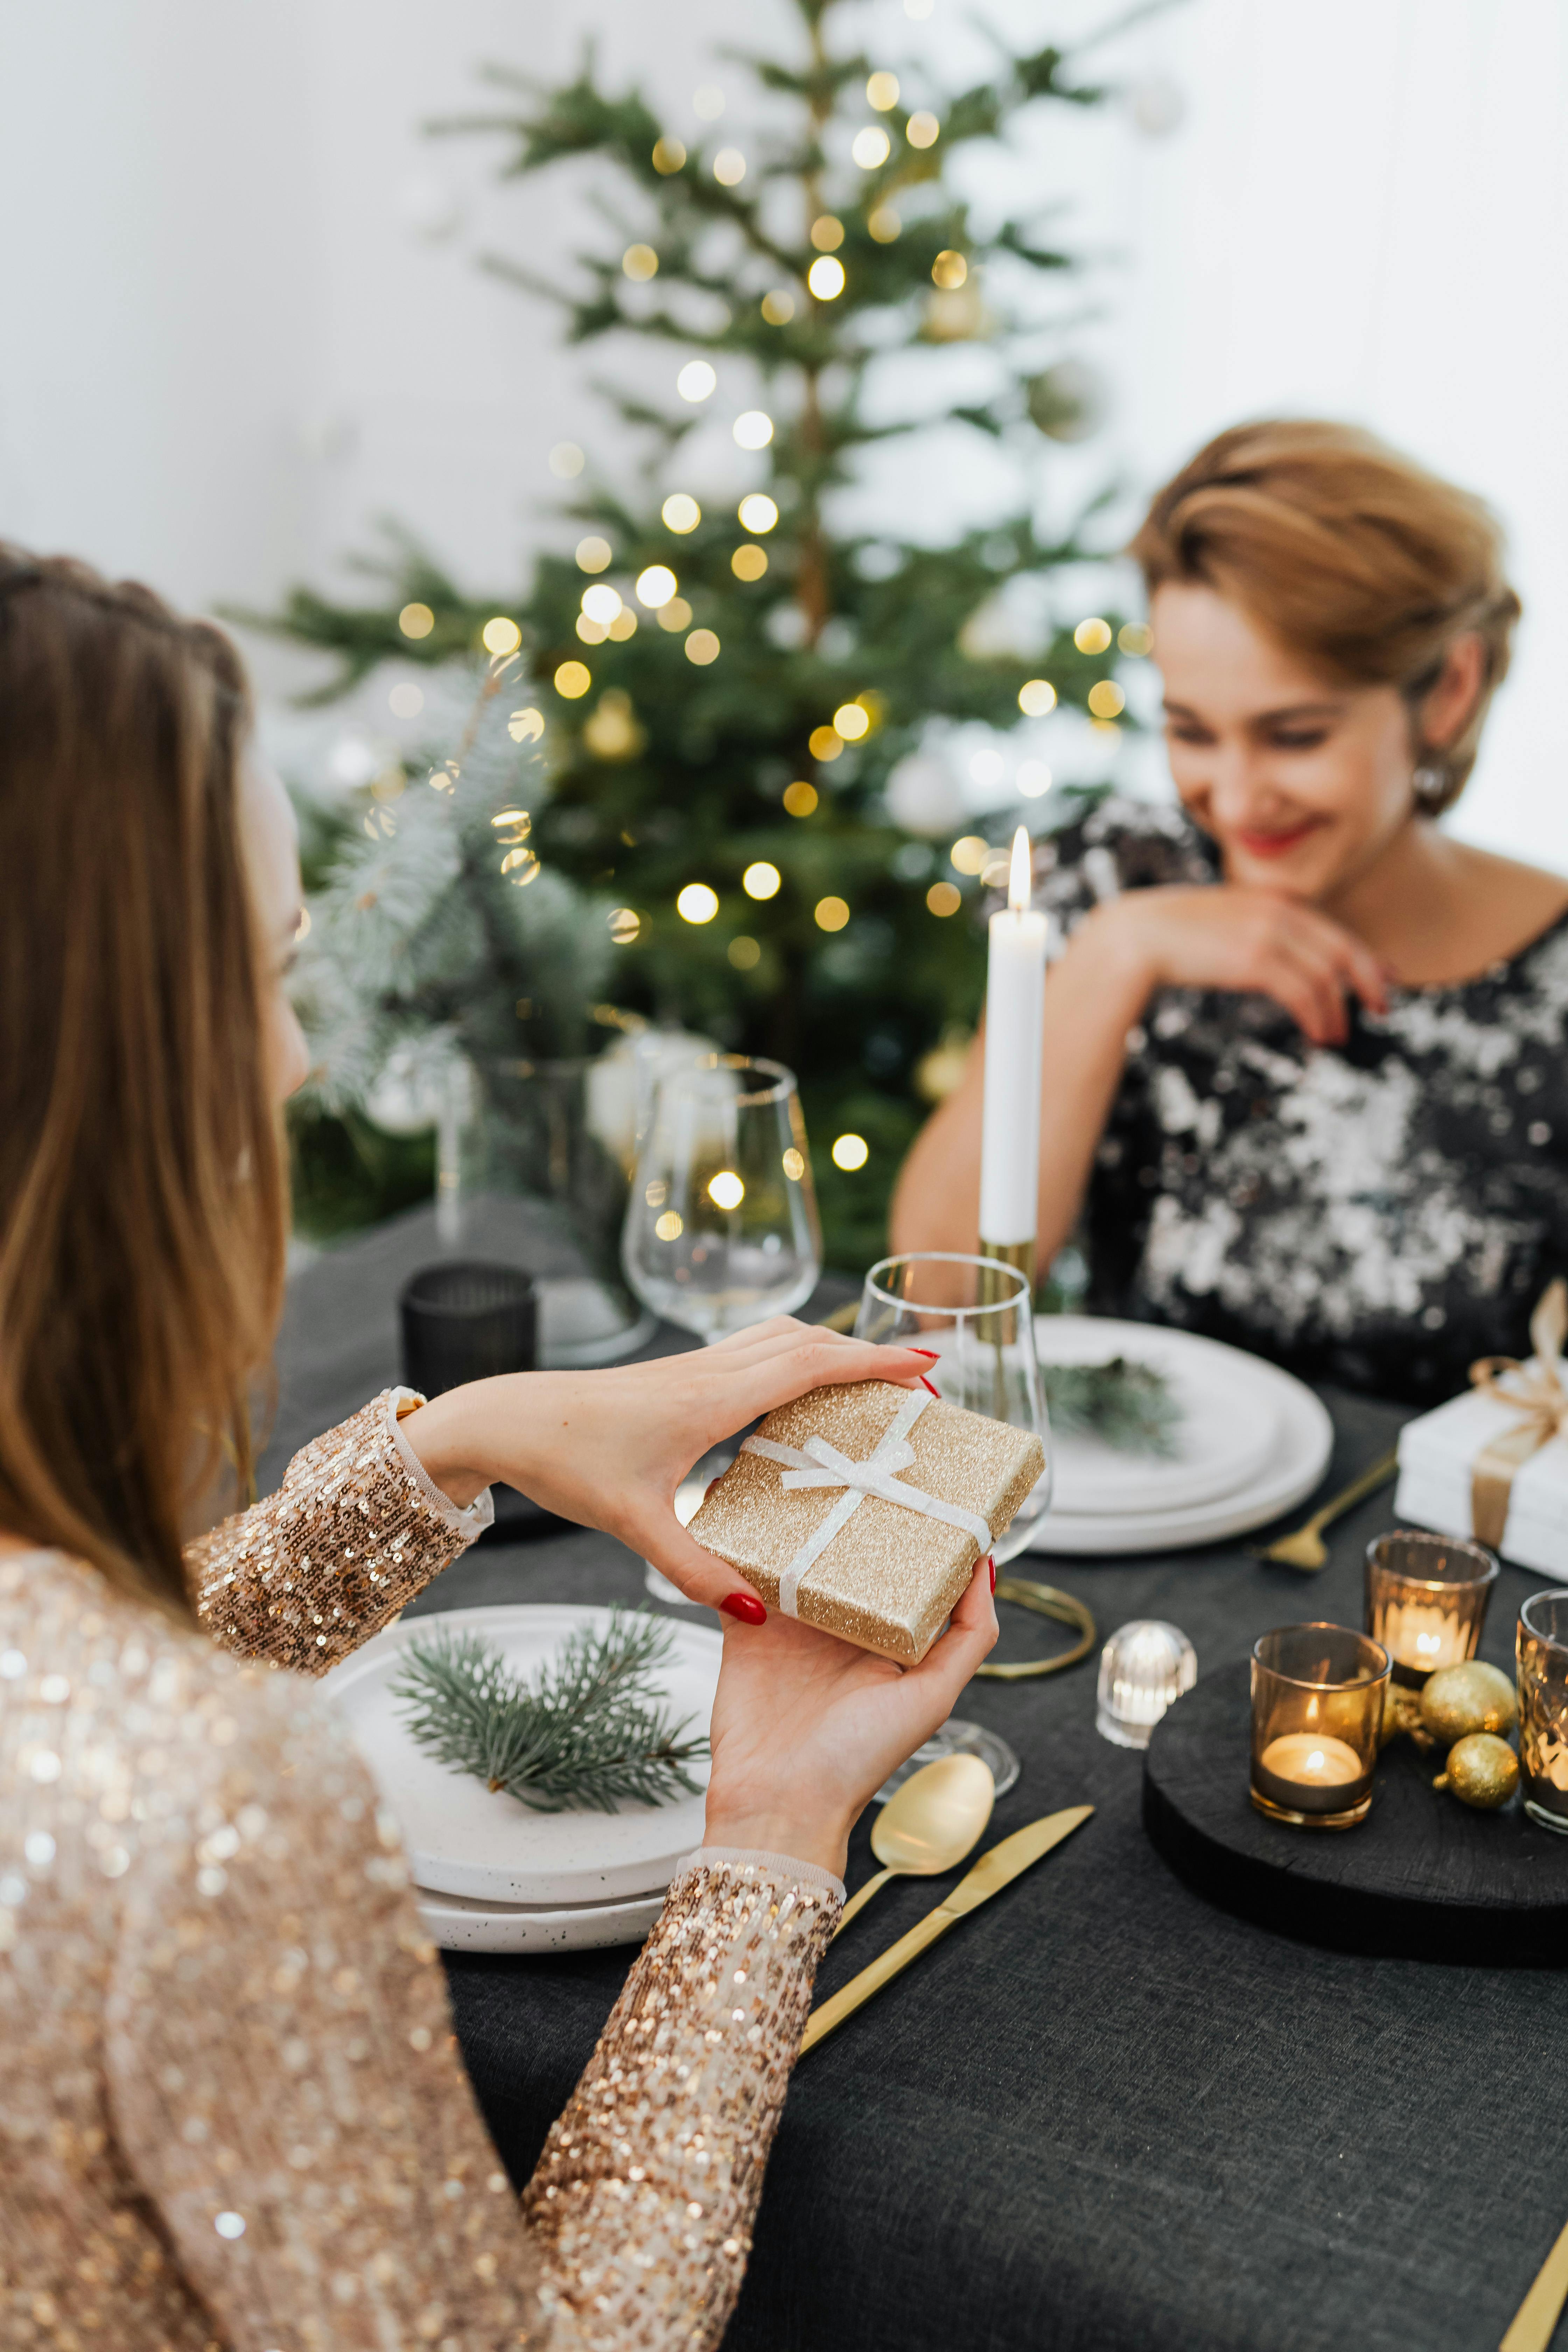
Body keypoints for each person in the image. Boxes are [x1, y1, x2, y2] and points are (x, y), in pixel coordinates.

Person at [0, 547, 998, 2349]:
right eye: (261, 972)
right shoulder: (215, 1819)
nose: (294, 1062)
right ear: (100, 1072)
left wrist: (457, 1445)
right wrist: (768, 1842)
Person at [895, 419, 1568, 1404]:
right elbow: (940, 1296)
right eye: (1191, 732)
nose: (1239, 799)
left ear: (1449, 690)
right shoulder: (1110, 885)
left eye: (1294, 736)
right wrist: (1115, 959)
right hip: (1139, 1540)